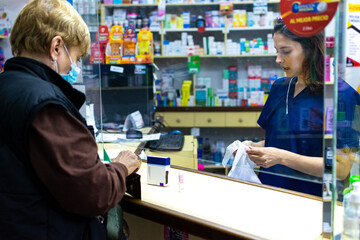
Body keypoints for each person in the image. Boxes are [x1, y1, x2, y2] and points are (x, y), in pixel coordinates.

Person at [0, 0, 141, 239]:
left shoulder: (7, 86)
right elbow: (94, 193)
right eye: (74, 57)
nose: (74, 67)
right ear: (56, 47)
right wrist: (120, 167)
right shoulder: (45, 104)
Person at [241, 18, 360, 196]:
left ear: (311, 50)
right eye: (276, 51)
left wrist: (281, 157)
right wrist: (251, 148)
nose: (278, 59)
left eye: (285, 51)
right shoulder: (279, 88)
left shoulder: (341, 95)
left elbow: (341, 168)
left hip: (313, 203)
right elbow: (284, 141)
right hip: (269, 193)